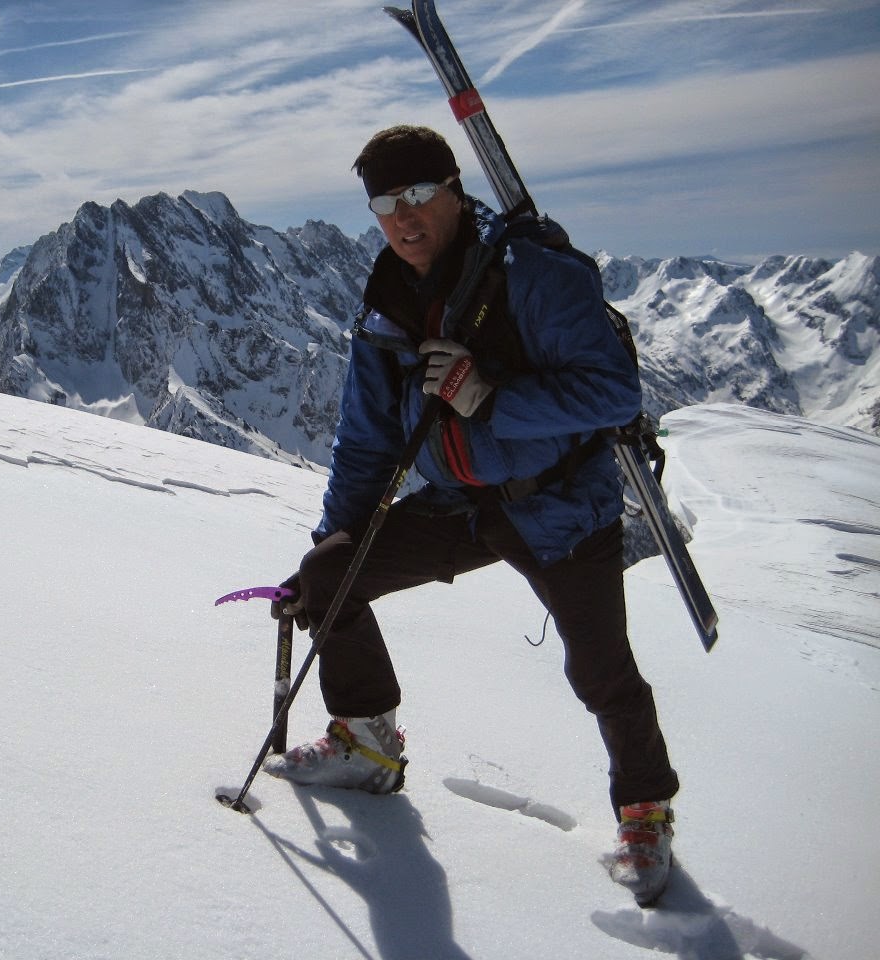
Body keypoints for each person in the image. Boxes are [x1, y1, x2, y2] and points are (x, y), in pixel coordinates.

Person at [263, 124, 679, 903]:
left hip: (558, 506)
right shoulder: (387, 300)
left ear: (455, 190)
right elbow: (365, 440)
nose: (403, 218)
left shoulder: (533, 276)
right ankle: (368, 744)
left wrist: (490, 397)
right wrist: (336, 542)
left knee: (601, 671)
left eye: (419, 195)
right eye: (385, 204)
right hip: (460, 502)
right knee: (329, 577)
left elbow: (616, 392)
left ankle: (645, 809)